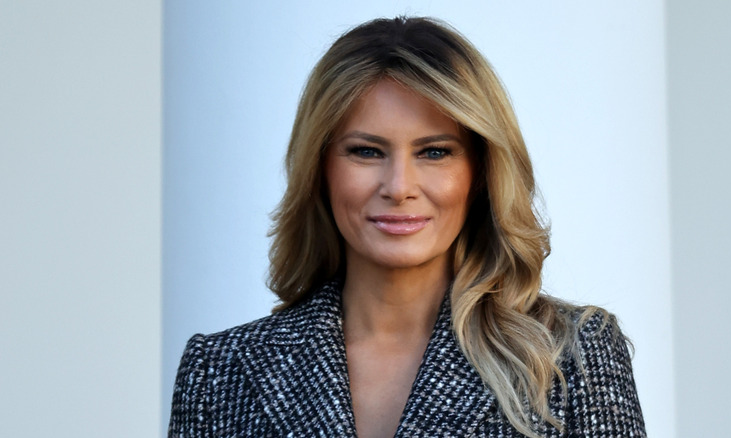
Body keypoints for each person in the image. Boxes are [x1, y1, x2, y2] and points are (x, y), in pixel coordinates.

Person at [168, 16, 646, 438]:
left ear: (479, 174)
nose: (399, 187)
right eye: (366, 151)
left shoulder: (574, 356)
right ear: (320, 168)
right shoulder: (221, 372)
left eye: (434, 152)